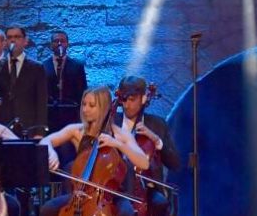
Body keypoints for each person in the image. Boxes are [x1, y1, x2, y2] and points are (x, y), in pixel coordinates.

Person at [38, 86, 150, 216]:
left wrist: (117, 144)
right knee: (48, 209)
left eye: (91, 106)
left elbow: (144, 163)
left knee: (127, 212)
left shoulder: (121, 135)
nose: (85, 109)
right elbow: (45, 141)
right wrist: (51, 152)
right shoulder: (77, 131)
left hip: (111, 195)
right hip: (80, 194)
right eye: (84, 104)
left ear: (104, 108)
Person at [115, 76, 179, 216]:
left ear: (143, 99)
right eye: (124, 100)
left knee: (160, 203)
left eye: (132, 100)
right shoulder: (112, 121)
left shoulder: (157, 124)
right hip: (116, 186)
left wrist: (156, 140)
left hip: (146, 187)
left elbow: (175, 163)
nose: (126, 105)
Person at [0, 25, 48, 137]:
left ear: (25, 41)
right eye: (9, 37)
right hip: (1, 128)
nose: (13, 40)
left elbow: (41, 102)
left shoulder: (37, 68)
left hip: (28, 127)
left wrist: (40, 132)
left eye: (17, 37)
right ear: (5, 42)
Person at [41, 30, 87, 106]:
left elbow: (83, 91)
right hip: (49, 110)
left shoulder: (77, 66)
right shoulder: (43, 66)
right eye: (56, 41)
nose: (59, 43)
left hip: (72, 109)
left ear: (67, 44)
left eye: (62, 41)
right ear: (51, 45)